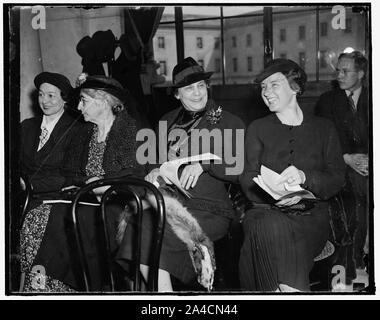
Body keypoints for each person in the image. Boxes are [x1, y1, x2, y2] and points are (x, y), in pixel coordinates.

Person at [116, 57, 245, 291]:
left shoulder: (228, 120)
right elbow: (153, 161)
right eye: (189, 88)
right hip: (170, 204)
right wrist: (154, 170)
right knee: (140, 226)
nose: (197, 93)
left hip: (209, 209)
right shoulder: (166, 121)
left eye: (200, 86)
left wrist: (205, 164)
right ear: (177, 94)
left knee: (155, 230)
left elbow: (238, 170)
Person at [20, 75, 145, 292]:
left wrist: (101, 184)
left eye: (84, 101)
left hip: (117, 206)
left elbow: (135, 176)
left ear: (104, 102)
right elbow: (71, 174)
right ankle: (47, 286)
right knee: (38, 214)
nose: (78, 106)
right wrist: (88, 183)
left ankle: (67, 287)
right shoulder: (85, 133)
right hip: (85, 200)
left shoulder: (129, 132)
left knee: (60, 216)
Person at [239, 59, 346, 292]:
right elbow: (247, 178)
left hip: (311, 219)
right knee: (269, 225)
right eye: (263, 87)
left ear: (295, 88)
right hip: (264, 212)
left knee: (272, 239)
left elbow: (337, 178)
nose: (266, 92)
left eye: (274, 85)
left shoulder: (324, 128)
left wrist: (305, 177)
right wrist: (269, 192)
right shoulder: (258, 128)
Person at [315, 51, 369, 273]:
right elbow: (322, 141)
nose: (339, 75)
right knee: (355, 194)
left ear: (361, 73)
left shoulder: (372, 97)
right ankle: (353, 262)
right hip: (339, 165)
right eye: (338, 70)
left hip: (369, 165)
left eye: (346, 71)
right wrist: (347, 158)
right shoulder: (327, 101)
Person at [20, 72, 80, 192]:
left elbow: (70, 176)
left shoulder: (76, 129)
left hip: (55, 196)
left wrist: (30, 186)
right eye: (41, 95)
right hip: (20, 195)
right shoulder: (26, 126)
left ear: (64, 99)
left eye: (50, 95)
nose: (44, 101)